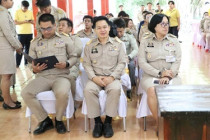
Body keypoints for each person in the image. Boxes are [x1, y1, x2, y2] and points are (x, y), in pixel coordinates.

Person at [21, 14, 80, 135]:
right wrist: (34, 69)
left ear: (55, 25)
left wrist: (67, 64)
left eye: (49, 28)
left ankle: (59, 120)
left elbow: (74, 56)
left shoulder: (64, 38)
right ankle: (45, 120)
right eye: (43, 28)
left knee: (62, 92)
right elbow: (30, 62)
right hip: (42, 76)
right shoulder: (35, 42)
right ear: (39, 27)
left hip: (61, 76)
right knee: (25, 92)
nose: (46, 31)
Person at [83, 16, 126, 138]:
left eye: (104, 27)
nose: (102, 30)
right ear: (95, 30)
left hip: (112, 78)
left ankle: (107, 122)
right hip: (95, 78)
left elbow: (122, 63)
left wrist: (112, 77)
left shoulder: (118, 44)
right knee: (88, 90)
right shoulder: (89, 45)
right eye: (99, 28)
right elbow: (86, 64)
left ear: (109, 28)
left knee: (115, 89)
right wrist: (94, 78)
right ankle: (97, 122)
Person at [138, 14, 182, 131]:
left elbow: (177, 60)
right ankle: (160, 123)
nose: (165, 26)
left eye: (167, 23)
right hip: (151, 76)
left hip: (172, 76)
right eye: (162, 24)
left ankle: (172, 120)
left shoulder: (173, 40)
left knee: (175, 89)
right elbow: (142, 62)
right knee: (152, 90)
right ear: (155, 26)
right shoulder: (146, 40)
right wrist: (159, 73)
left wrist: (168, 75)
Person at [0, 0, 22, 109]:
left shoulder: (4, 12)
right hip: (4, 47)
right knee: (6, 76)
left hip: (5, 46)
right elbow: (8, 32)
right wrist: (17, 46)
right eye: (10, 0)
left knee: (6, 75)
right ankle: (7, 102)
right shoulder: (2, 13)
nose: (12, 2)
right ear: (3, 1)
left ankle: (8, 99)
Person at [113, 18, 138, 98]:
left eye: (121, 31)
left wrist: (129, 57)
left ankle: (129, 88)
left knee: (131, 66)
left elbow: (136, 49)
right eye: (118, 31)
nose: (119, 33)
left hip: (127, 58)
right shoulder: (111, 37)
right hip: (115, 59)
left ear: (124, 29)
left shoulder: (129, 36)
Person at [58, 17, 82, 99]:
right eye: (59, 25)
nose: (60, 27)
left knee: (70, 77)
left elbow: (78, 50)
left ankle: (72, 101)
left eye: (63, 25)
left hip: (72, 65)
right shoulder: (54, 40)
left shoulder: (75, 38)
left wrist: (64, 54)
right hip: (57, 66)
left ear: (69, 28)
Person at [14, 0, 34, 67]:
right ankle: (17, 64)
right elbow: (15, 22)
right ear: (21, 6)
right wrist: (24, 21)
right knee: (20, 49)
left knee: (28, 48)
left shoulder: (30, 12)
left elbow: (33, 21)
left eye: (27, 8)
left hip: (29, 33)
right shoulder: (17, 12)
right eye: (25, 8)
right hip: (21, 33)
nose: (26, 9)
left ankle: (26, 63)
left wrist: (30, 21)